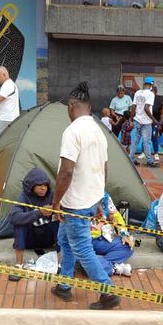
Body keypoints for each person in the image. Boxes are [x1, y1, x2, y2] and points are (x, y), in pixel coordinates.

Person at [50, 81, 119, 310]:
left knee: (81, 248)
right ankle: (64, 286)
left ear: (71, 106)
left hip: (75, 203)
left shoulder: (73, 131)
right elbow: (104, 169)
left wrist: (55, 203)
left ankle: (107, 292)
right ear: (89, 108)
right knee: (65, 242)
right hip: (89, 200)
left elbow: (66, 171)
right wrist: (99, 200)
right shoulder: (99, 131)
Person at [9, 168, 60, 282]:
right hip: (29, 239)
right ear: (31, 186)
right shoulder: (24, 196)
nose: (43, 188)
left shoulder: (51, 195)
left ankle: (61, 264)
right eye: (39, 185)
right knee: (19, 224)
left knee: (58, 221)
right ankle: (19, 265)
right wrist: (38, 213)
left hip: (48, 238)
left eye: (45, 185)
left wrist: (57, 211)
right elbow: (13, 217)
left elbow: (65, 212)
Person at [91, 193, 134, 277]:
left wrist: (124, 234)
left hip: (103, 238)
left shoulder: (105, 196)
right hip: (85, 238)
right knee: (84, 256)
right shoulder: (79, 194)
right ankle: (113, 268)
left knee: (127, 246)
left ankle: (106, 266)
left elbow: (117, 216)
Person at [129, 77, 158, 167]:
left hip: (137, 120)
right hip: (146, 122)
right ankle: (149, 161)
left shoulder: (137, 92)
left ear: (144, 84)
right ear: (151, 85)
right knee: (146, 142)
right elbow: (146, 108)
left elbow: (133, 107)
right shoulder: (151, 94)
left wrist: (131, 119)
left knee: (135, 141)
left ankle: (131, 159)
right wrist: (154, 119)